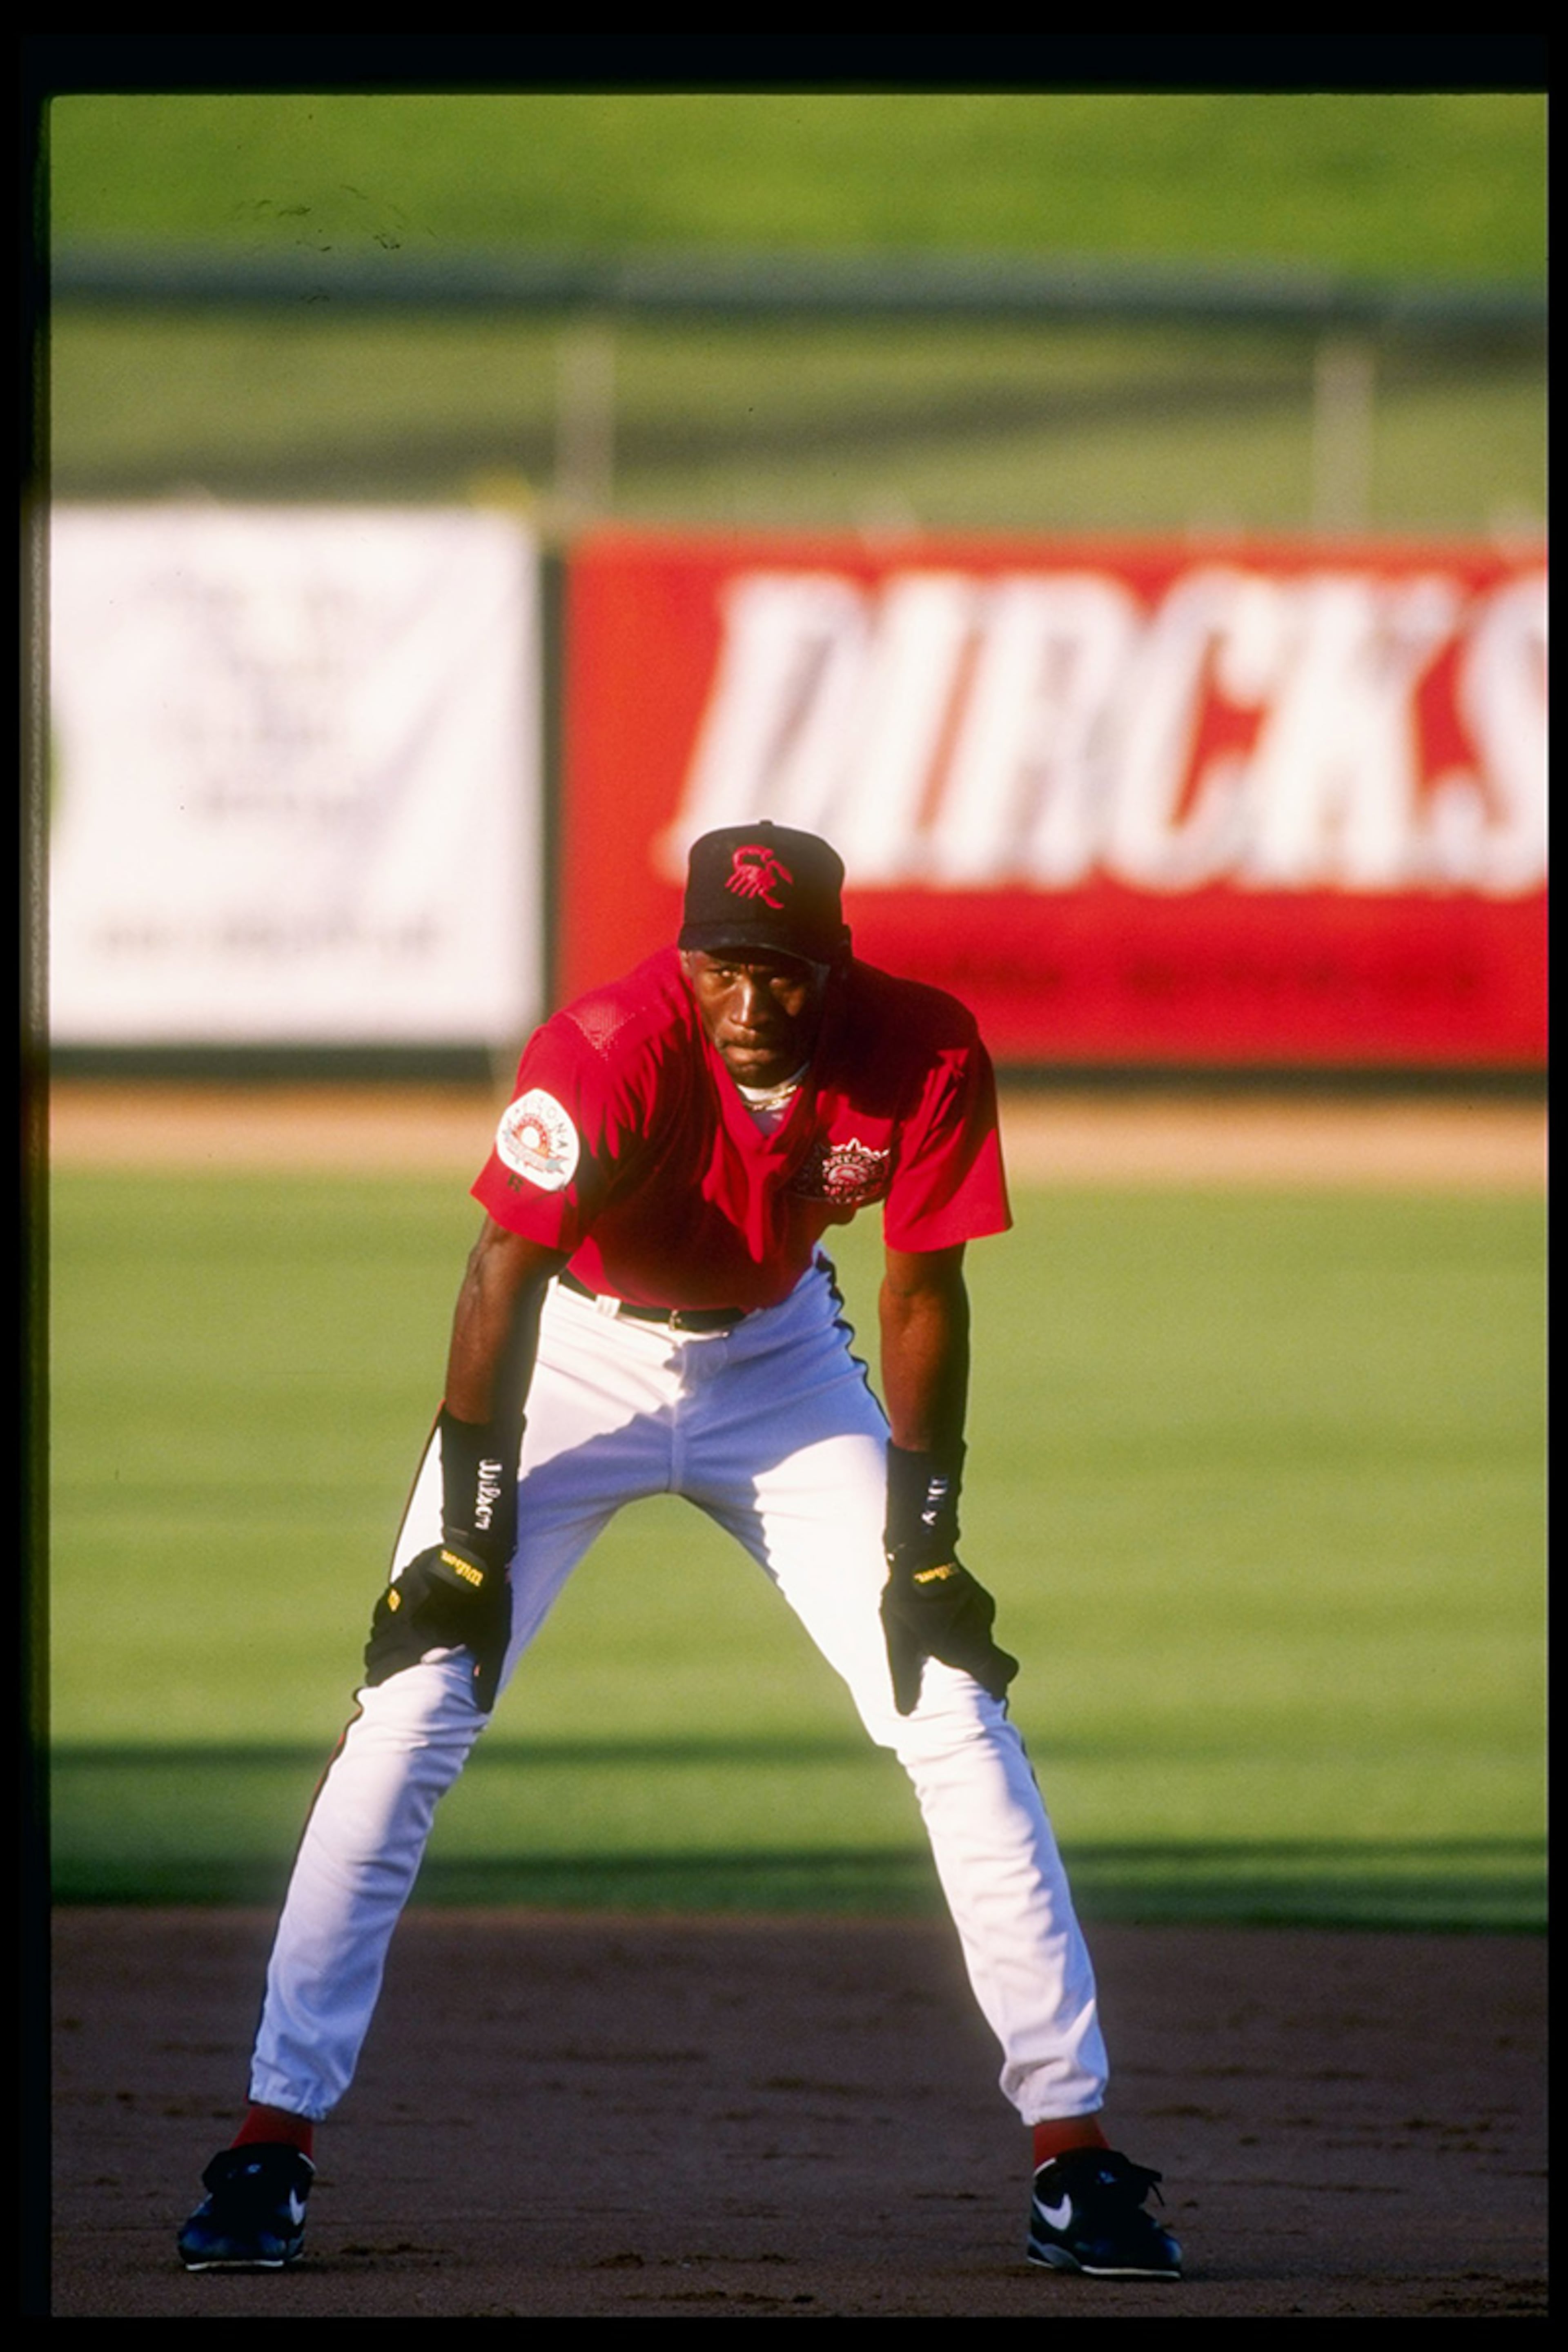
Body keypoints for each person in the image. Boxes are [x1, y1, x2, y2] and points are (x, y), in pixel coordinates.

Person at [176, 820, 1182, 2283]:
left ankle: (1073, 2158)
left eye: (782, 967)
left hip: (781, 1368)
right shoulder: (605, 1048)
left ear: (833, 962)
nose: (752, 996)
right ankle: (270, 2144)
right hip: (575, 1353)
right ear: (687, 952)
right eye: (724, 961)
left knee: (951, 1704)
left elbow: (923, 1294)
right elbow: (501, 1270)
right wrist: (466, 1536)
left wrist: (926, 1541)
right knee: (411, 1708)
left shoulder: (927, 1049)